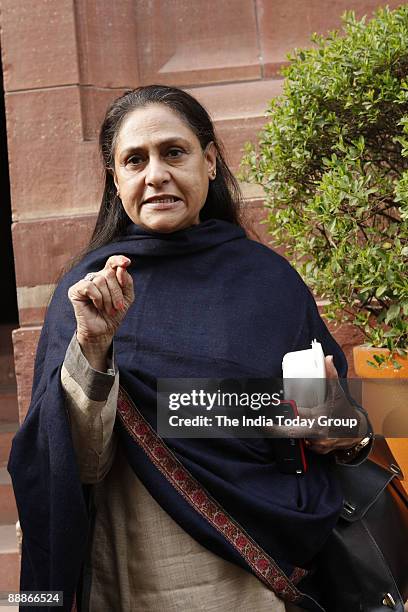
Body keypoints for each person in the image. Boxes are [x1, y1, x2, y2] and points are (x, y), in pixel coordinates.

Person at [8, 85, 371, 612]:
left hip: (259, 583)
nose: (155, 174)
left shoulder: (269, 282)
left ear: (210, 159)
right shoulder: (88, 293)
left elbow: (345, 431)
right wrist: (95, 346)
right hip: (137, 577)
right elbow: (76, 465)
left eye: (173, 152)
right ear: (116, 180)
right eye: (135, 160)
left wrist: (337, 426)